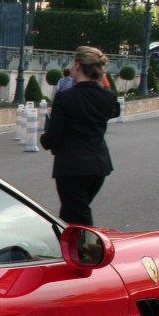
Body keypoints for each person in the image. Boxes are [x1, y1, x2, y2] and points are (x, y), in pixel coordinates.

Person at [38, 46, 122, 226]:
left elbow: (54, 135)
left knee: (78, 218)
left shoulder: (66, 97)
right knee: (71, 213)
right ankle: (66, 248)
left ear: (77, 66)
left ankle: (91, 251)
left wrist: (44, 140)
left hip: (72, 166)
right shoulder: (108, 96)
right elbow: (114, 111)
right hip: (99, 165)